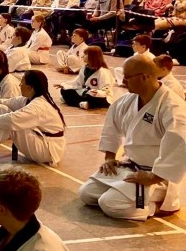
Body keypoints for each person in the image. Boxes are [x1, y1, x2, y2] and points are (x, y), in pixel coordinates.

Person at [78, 56, 186, 221]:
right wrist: (109, 158)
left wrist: (153, 177)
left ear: (144, 77)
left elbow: (179, 144)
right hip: (129, 167)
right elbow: (112, 127)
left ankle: (160, 206)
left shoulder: (172, 106)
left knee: (110, 204)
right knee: (87, 194)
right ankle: (130, 196)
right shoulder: (127, 101)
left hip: (155, 176)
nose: (123, 81)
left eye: (127, 77)